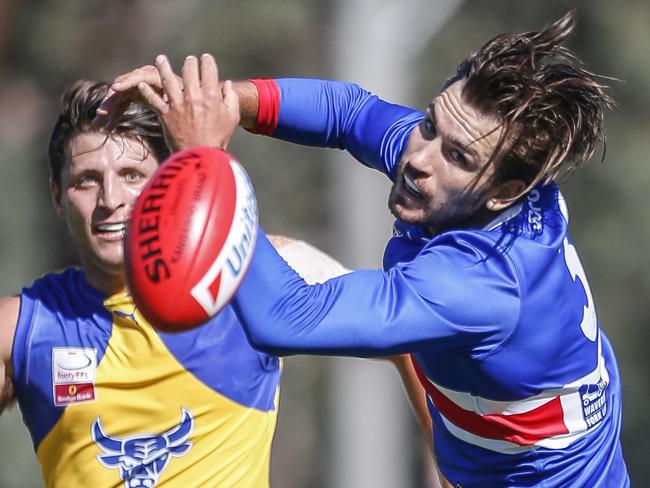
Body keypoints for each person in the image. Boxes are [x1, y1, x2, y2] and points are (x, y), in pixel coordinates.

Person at [100, 10, 629, 486]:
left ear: (506, 194)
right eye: (428, 124)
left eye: (458, 156)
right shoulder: (464, 164)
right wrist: (224, 103)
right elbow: (350, 112)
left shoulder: (480, 283)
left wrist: (204, 159)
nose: (419, 156)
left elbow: (286, 319)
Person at [0, 80, 372, 488]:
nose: (111, 198)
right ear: (57, 197)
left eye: (131, 175)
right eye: (87, 180)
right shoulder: (22, 327)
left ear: (166, 186)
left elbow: (399, 333)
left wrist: (450, 462)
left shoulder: (252, 279)